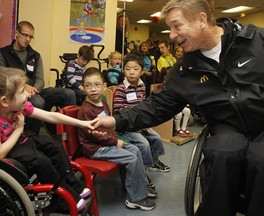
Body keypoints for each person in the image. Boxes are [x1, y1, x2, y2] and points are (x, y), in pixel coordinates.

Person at [92, 0, 264, 215]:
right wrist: (116, 120)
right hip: (227, 127)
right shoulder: (184, 70)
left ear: (201, 19)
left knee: (261, 158)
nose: (171, 35)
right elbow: (157, 106)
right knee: (223, 153)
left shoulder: (256, 39)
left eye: (176, 26)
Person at [0, 66, 99, 213]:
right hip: (6, 155)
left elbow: (51, 116)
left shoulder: (17, 106)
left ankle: (74, 187)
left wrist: (82, 123)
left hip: (20, 141)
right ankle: (61, 201)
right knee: (41, 161)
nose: (28, 94)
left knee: (54, 146)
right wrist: (19, 129)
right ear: (4, 101)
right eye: (22, 91)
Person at [77, 67, 156, 211]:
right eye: (88, 85)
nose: (93, 89)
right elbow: (95, 135)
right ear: (83, 88)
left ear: (104, 86)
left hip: (107, 143)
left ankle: (138, 188)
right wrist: (116, 142)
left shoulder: (103, 104)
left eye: (97, 85)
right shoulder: (86, 110)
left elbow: (108, 128)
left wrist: (116, 139)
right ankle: (136, 198)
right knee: (131, 159)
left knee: (135, 149)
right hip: (96, 149)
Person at [0, 20, 76, 134]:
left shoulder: (35, 55)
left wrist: (32, 90)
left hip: (35, 91)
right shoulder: (2, 54)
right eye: (25, 35)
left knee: (69, 94)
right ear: (16, 33)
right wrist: (23, 87)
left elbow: (40, 80)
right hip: (16, 94)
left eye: (31, 37)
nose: (28, 39)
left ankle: (67, 135)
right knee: (38, 102)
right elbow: (2, 79)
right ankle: (32, 136)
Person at [113, 52, 169, 172]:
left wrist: (144, 123)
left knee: (156, 137)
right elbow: (118, 111)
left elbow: (143, 106)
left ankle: (154, 162)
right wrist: (136, 122)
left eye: (135, 69)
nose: (131, 72)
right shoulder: (120, 89)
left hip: (139, 124)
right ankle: (143, 170)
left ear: (142, 71)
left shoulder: (142, 86)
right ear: (123, 70)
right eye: (128, 69)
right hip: (126, 126)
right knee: (144, 143)